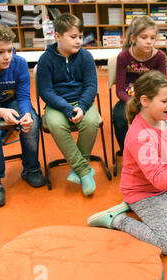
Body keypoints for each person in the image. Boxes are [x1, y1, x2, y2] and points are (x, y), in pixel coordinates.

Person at [87, 70, 167, 255]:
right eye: (164, 101)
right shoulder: (138, 136)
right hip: (145, 193)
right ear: (145, 101)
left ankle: (165, 209)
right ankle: (118, 220)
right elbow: (158, 179)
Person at [37, 13, 99, 196]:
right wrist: (66, 108)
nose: (79, 41)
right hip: (57, 104)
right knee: (56, 125)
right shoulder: (46, 59)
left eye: (80, 36)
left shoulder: (85, 57)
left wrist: (81, 106)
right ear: (57, 37)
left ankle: (79, 169)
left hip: (82, 102)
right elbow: (46, 91)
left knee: (91, 122)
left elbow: (91, 86)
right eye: (73, 37)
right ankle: (84, 170)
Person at [0, 23, 46, 208]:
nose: (7, 56)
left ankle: (31, 168)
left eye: (10, 50)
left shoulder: (19, 63)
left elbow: (23, 97)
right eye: (0, 52)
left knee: (33, 122)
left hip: (12, 103)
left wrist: (26, 113)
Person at [113, 15, 167, 155]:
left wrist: (155, 103)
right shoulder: (123, 57)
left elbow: (162, 85)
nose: (149, 42)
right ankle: (128, 153)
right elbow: (119, 90)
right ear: (133, 39)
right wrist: (135, 103)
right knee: (119, 117)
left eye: (152, 37)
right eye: (144, 37)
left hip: (153, 98)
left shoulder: (160, 56)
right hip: (130, 98)